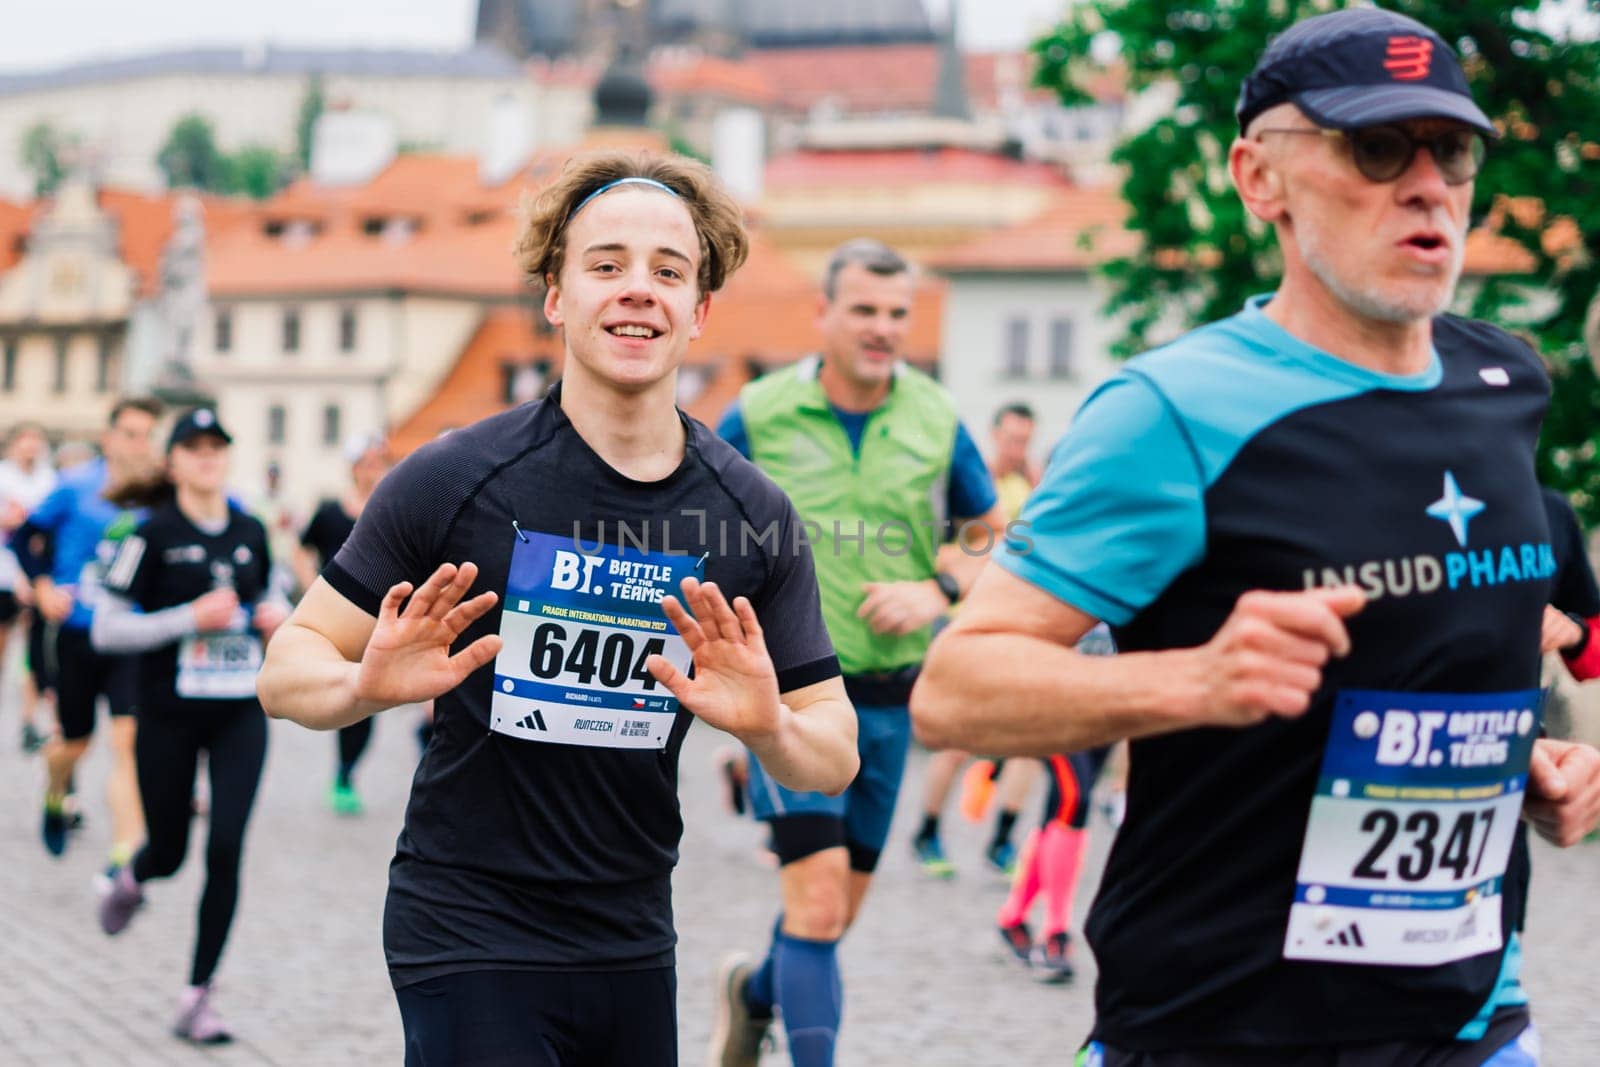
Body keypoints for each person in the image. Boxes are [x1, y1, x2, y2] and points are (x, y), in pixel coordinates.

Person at [911, 9, 1600, 1064]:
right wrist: (1191, 682)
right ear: (1257, 177)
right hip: (1220, 1025)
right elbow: (955, 688)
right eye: (1375, 149)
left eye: (1449, 150)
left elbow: (1436, 664)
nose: (1425, 186)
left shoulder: (1500, 379)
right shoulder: (1171, 409)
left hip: (1471, 1018)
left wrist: (1523, 769)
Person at [256, 150, 858, 1067]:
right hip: (466, 921)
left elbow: (834, 754)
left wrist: (769, 725)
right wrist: (363, 685)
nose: (637, 292)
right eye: (605, 265)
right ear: (556, 295)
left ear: (699, 311)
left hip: (631, 934)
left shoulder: (749, 517)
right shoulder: (452, 479)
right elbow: (285, 669)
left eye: (668, 272)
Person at [711, 238, 1004, 1067]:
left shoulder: (937, 418)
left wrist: (938, 589)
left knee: (833, 914)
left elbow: (988, 537)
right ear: (824, 315)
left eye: (897, 314)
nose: (882, 328)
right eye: (864, 310)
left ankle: (753, 993)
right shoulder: (759, 412)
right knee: (815, 902)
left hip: (890, 701)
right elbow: (697, 520)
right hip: (792, 699)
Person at [92, 407, 286, 1045]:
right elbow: (107, 627)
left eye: (217, 448)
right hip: (168, 715)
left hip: (239, 711)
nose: (208, 458)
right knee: (171, 852)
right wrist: (187, 619)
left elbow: (274, 595)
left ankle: (197, 996)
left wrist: (271, 616)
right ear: (172, 461)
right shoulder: (147, 534)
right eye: (195, 448)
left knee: (226, 847)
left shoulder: (252, 529)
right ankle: (134, 876)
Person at [15, 397, 162, 861]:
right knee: (74, 742)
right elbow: (24, 538)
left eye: (148, 435)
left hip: (129, 636)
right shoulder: (75, 486)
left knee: (128, 745)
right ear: (109, 438)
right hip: (76, 633)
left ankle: (125, 855)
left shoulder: (159, 492)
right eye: (131, 434)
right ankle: (55, 791)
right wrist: (41, 588)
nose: (140, 444)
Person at [913, 402, 1044, 877]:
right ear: (994, 435)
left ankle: (1003, 840)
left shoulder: (1026, 489)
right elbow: (944, 556)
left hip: (1017, 627)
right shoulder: (969, 489)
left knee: (1032, 741)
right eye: (1011, 439)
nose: (1017, 448)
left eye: (1025, 440)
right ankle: (927, 832)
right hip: (965, 625)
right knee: (956, 740)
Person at [293, 433, 394, 814]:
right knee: (341, 690)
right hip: (337, 618)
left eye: (379, 462)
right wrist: (309, 586)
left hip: (377, 621)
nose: (374, 470)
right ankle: (342, 768)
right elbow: (300, 547)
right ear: (354, 469)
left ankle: (346, 773)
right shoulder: (332, 511)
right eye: (367, 462)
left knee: (367, 698)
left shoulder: (391, 509)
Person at [0, 423, 58, 751]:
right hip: (3, 573)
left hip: (33, 577)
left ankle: (28, 718)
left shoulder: (49, 480)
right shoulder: (3, 476)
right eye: (26, 441)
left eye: (36, 442)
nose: (31, 448)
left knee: (34, 652)